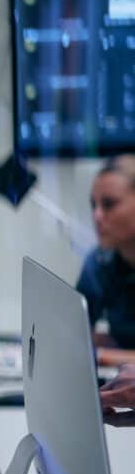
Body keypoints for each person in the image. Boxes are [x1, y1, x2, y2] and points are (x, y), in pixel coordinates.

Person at [78, 154, 135, 366]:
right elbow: (75, 334)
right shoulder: (99, 262)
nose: (97, 216)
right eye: (94, 205)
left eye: (109, 204)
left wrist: (101, 355)